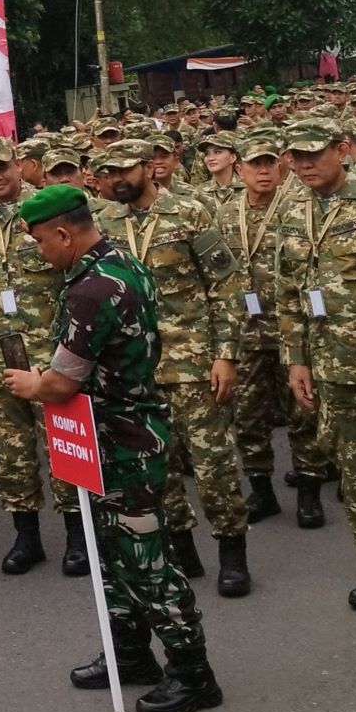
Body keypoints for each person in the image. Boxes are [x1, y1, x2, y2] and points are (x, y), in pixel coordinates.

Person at [4, 185, 222, 712]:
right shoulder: (122, 261)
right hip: (110, 433)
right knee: (112, 551)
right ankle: (130, 655)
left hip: (119, 440)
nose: (38, 252)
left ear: (63, 232)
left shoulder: (92, 289)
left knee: (144, 560)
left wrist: (30, 384)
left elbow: (60, 382)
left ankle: (194, 673)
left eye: (38, 241)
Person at [94, 139, 251, 596]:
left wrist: (226, 354)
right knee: (154, 469)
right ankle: (183, 553)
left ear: (147, 168)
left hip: (192, 361)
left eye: (126, 169)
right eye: (109, 172)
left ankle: (231, 551)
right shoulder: (103, 221)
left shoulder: (190, 211)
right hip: (134, 369)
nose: (118, 179)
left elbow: (226, 285)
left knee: (213, 463)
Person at [0, 137, 87, 578]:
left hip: (47, 351)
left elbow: (77, 273)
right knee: (10, 451)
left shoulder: (46, 211)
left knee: (62, 446)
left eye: (2, 167)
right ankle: (27, 537)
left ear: (19, 165)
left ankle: (78, 535)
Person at [218, 133, 327, 526]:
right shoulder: (228, 212)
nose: (263, 172)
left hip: (290, 330)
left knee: (303, 412)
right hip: (246, 332)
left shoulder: (296, 208)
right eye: (254, 165)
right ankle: (261, 491)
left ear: (280, 165)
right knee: (247, 417)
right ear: (240, 168)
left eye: (269, 163)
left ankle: (310, 491)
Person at [275, 120, 356, 608]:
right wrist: (296, 360)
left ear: (342, 150)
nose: (303, 165)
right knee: (353, 471)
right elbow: (289, 294)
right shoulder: (295, 211)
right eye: (296, 156)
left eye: (313, 154)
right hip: (333, 368)